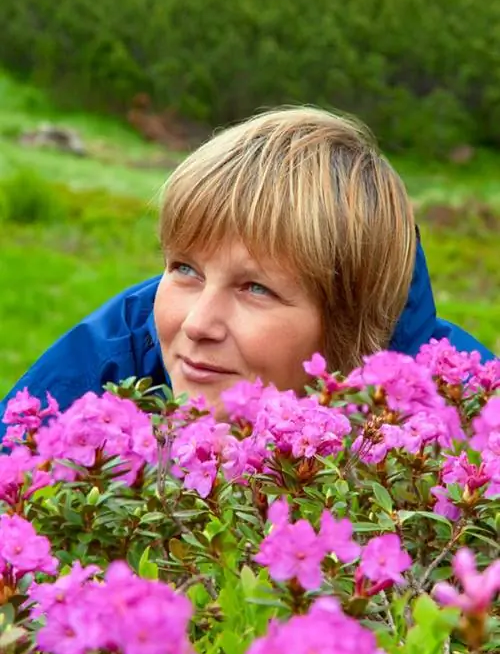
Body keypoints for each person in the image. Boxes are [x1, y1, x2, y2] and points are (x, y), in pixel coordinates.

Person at [0, 107, 494, 431]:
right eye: (186, 269)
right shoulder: (109, 362)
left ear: (350, 321)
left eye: (255, 287)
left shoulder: (468, 417)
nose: (197, 324)